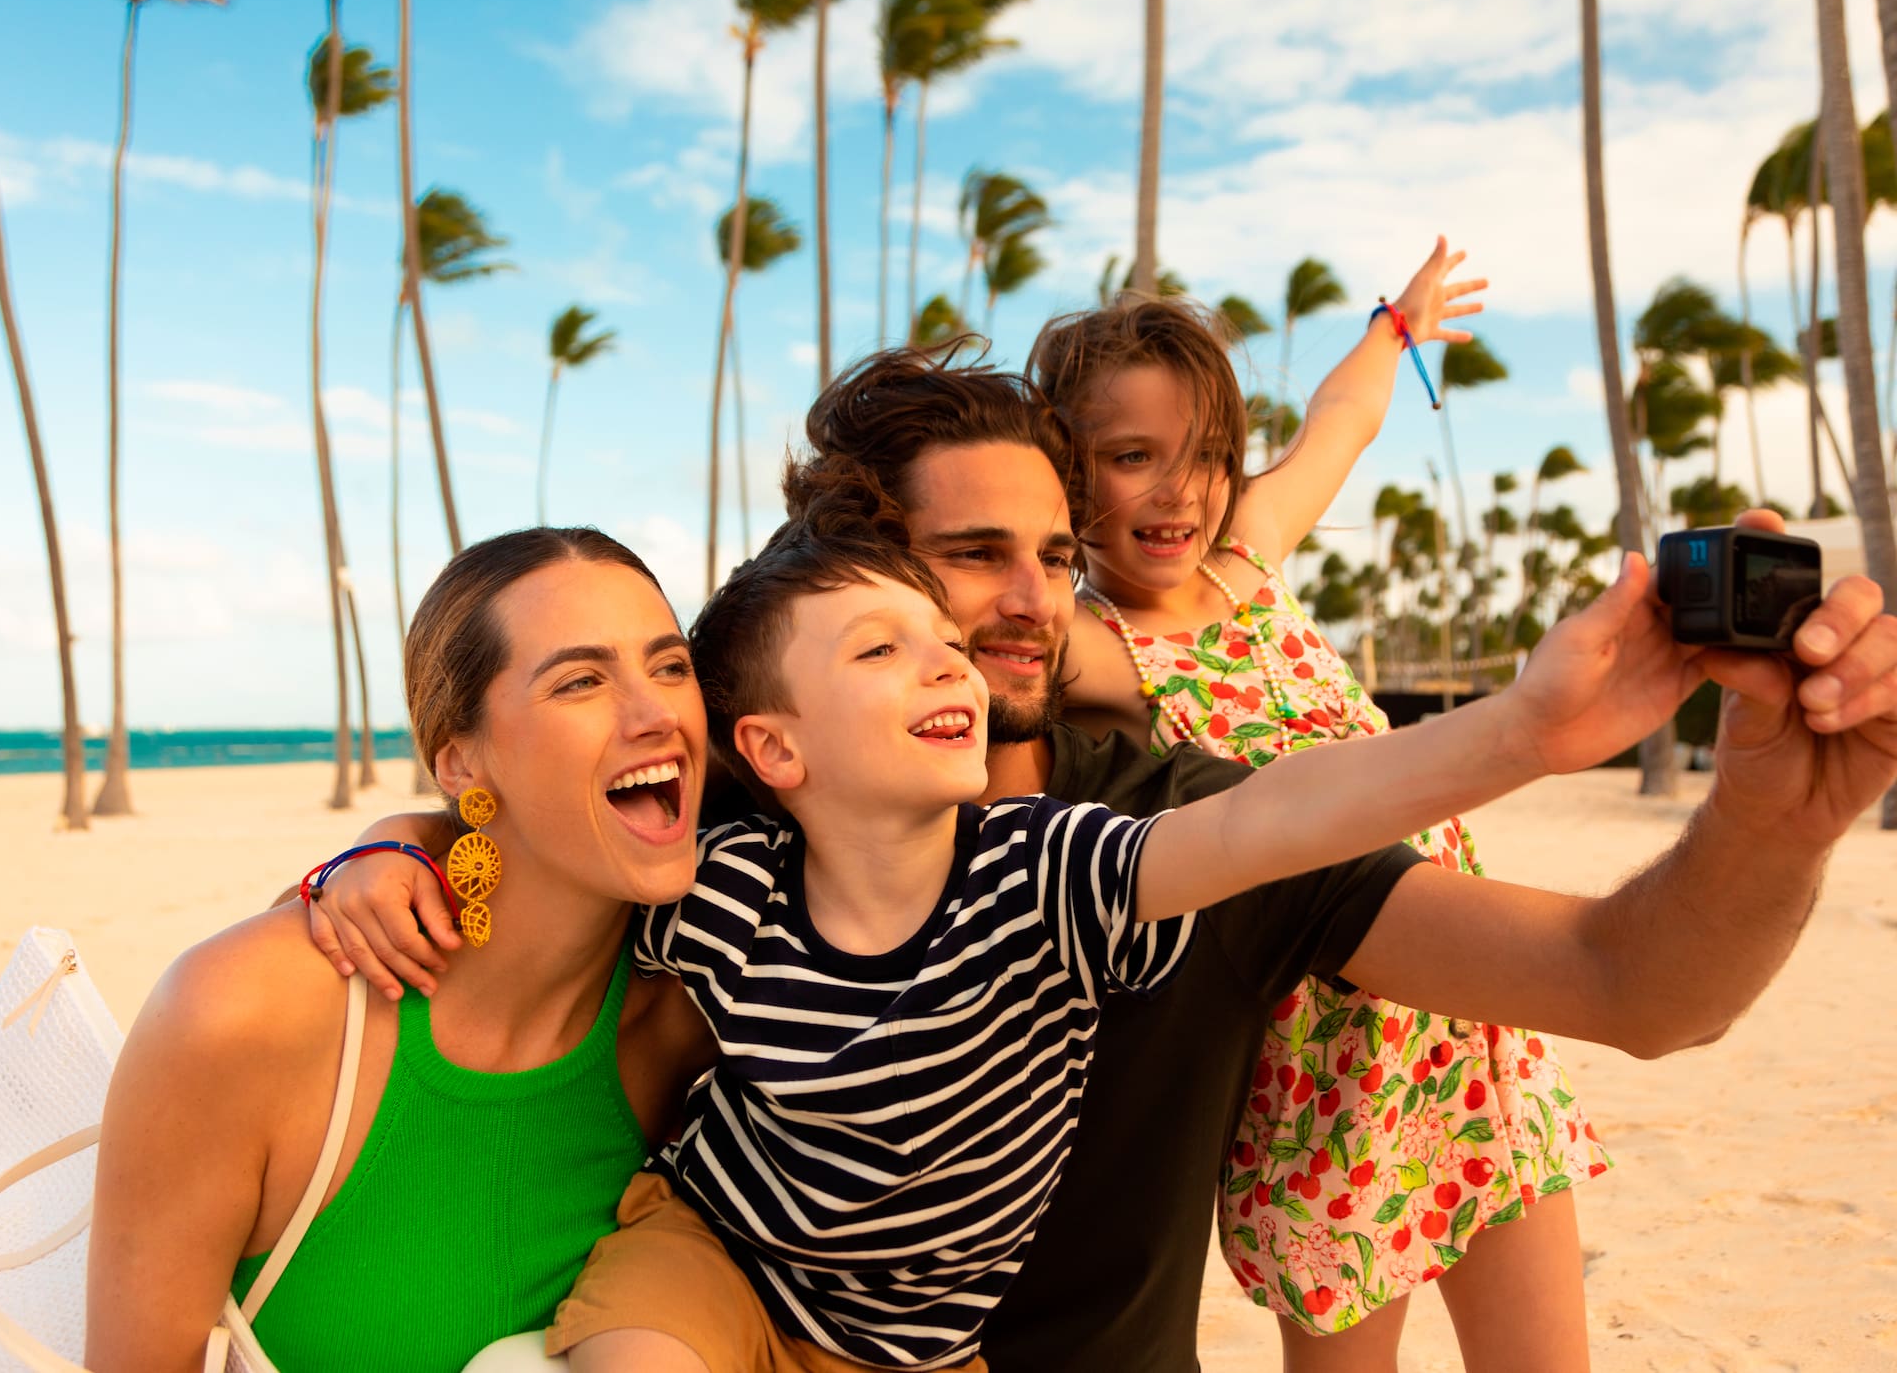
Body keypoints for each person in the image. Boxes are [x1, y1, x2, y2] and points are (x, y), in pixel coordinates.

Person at [308, 345, 1897, 1373]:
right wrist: (377, 851)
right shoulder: (755, 810)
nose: (1023, 601)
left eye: (1055, 553)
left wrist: (1775, 814)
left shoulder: (1162, 819)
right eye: (969, 556)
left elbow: (1630, 986)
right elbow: (514, 830)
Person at [546, 466, 1757, 1373]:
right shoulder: (726, 886)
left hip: (909, 1355)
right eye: (886, 641)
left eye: (944, 635)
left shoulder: (1045, 870)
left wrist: (1521, 736)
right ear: (771, 746)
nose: (956, 657)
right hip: (713, 1257)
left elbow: (1268, 821)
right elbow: (549, 837)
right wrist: (408, 850)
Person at [1032, 253, 1608, 1367]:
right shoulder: (1099, 649)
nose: (1176, 491)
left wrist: (1394, 329)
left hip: (1471, 1026)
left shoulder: (1250, 556)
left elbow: (1338, 423)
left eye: (1200, 455)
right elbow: (953, 622)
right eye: (1128, 458)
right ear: (1065, 473)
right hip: (1319, 1080)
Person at [86, 530, 717, 1373]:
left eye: (671, 667)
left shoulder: (696, 1019)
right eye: (581, 681)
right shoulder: (246, 1012)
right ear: (460, 760)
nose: (656, 714)